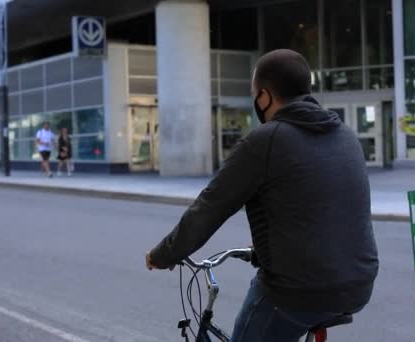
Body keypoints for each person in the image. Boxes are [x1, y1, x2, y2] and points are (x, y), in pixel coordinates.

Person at [145, 49, 379, 342]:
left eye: (255, 94)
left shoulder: (264, 141)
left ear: (264, 97)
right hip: (359, 284)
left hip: (297, 292)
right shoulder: (345, 135)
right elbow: (321, 211)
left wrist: (164, 254)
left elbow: (209, 208)